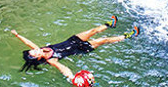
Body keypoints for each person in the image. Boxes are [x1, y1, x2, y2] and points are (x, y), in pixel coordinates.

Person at [11, 15, 140, 84]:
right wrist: (73, 78)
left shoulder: (40, 49)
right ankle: (129, 36)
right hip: (81, 48)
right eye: (35, 53)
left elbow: (28, 42)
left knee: (93, 30)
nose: (36, 50)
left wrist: (18, 35)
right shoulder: (51, 60)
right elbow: (64, 69)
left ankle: (110, 24)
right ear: (38, 58)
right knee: (103, 40)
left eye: (34, 50)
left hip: (73, 40)